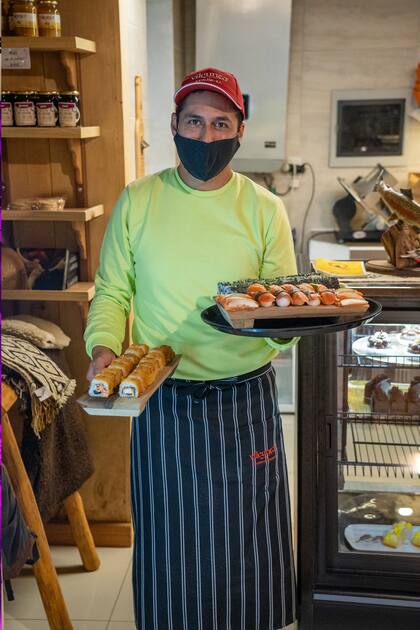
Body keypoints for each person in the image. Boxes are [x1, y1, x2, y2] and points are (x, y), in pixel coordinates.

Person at [85, 67, 297, 630]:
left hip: (244, 400)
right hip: (163, 396)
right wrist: (104, 344)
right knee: (170, 535)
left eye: (219, 123)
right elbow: (112, 290)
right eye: (194, 122)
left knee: (247, 538)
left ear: (239, 131)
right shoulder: (138, 202)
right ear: (174, 126)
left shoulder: (263, 208)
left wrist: (280, 325)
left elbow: (283, 309)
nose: (206, 136)